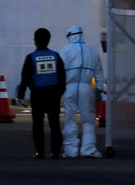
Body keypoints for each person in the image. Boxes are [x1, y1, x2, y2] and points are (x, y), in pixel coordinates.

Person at [16, 28, 66, 159]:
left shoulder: (31, 57)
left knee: (37, 123)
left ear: (35, 41)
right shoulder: (56, 56)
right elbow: (62, 76)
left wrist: (20, 95)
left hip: (38, 94)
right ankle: (55, 151)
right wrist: (60, 92)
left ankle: (40, 151)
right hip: (53, 94)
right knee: (54, 123)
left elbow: (25, 78)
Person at [58, 25, 104, 158]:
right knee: (88, 120)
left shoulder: (65, 51)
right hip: (86, 87)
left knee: (70, 119)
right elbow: (99, 71)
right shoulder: (92, 50)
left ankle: (71, 151)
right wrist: (99, 88)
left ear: (70, 36)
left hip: (69, 88)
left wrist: (59, 88)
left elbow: (59, 71)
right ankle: (88, 149)